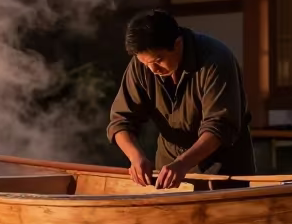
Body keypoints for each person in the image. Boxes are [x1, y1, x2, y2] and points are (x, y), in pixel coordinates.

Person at [107, 10, 255, 189]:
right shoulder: (141, 66)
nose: (153, 69)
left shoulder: (216, 60)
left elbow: (220, 126)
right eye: (145, 63)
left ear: (177, 44)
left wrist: (184, 163)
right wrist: (135, 157)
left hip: (222, 167)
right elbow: (121, 120)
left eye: (158, 60)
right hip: (168, 166)